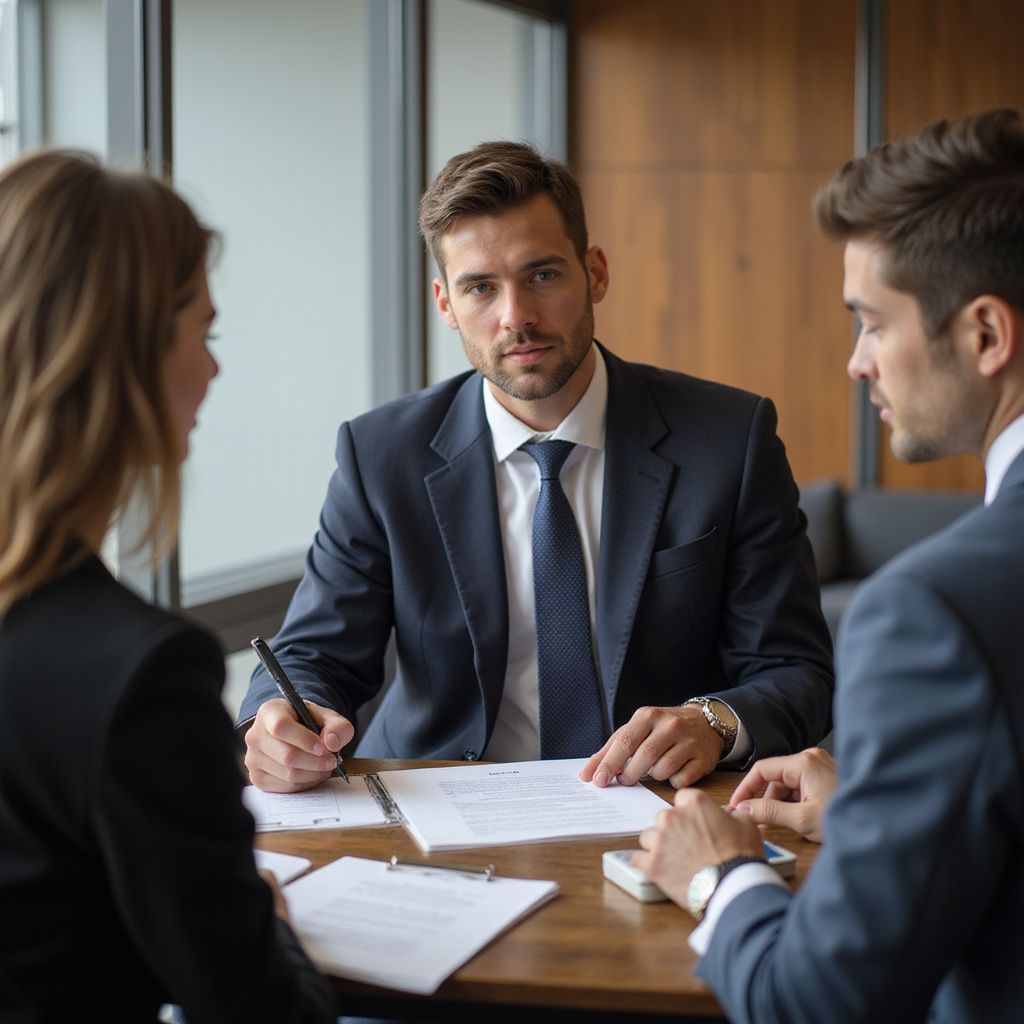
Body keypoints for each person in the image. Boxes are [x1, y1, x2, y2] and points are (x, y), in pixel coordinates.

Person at [240, 141, 834, 794]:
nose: (515, 316)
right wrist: (279, 721)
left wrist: (715, 721)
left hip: (649, 806)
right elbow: (312, 656)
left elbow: (795, 671)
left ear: (595, 273)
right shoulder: (381, 455)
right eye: (480, 288)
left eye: (542, 275)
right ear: (445, 303)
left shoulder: (727, 439)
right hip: (434, 806)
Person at [636, 107, 1024, 1024]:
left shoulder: (935, 611)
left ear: (984, 335)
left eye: (871, 323)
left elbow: (814, 1005)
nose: (856, 363)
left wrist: (720, 876)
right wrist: (882, 816)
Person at [0, 151, 335, 1022]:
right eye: (204, 332)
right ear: (129, 352)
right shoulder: (139, 674)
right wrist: (269, 921)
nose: (214, 373)